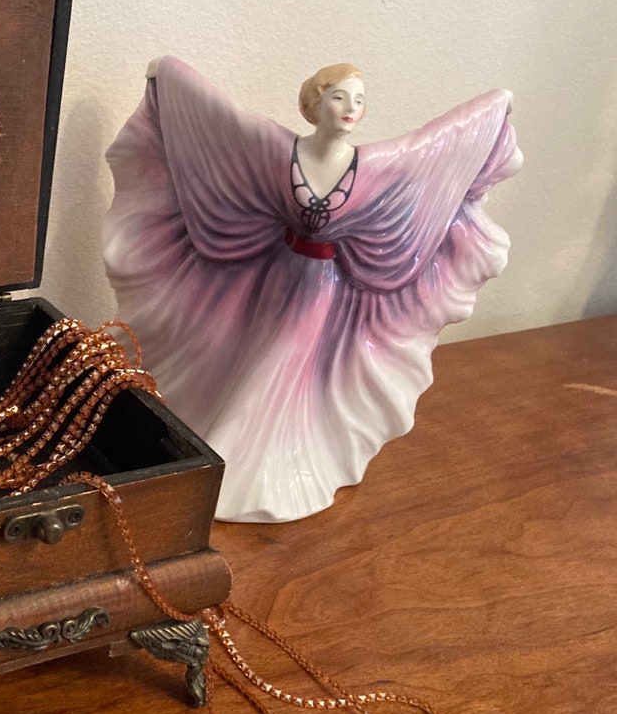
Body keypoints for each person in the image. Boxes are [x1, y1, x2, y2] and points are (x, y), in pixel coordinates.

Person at [103, 57, 522, 523]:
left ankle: (267, 466)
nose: (349, 108)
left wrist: (494, 111)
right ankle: (220, 452)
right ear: (314, 102)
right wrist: (167, 76)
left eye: (358, 101)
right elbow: (220, 124)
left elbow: (435, 150)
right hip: (273, 279)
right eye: (339, 97)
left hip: (323, 289)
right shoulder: (280, 151)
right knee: (250, 358)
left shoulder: (377, 165)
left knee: (290, 370)